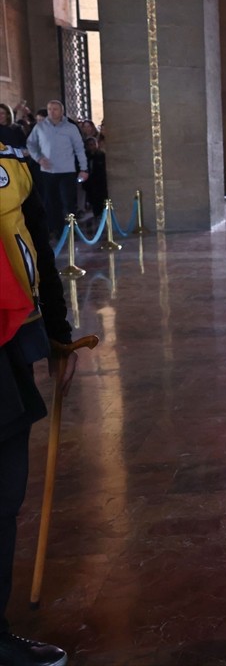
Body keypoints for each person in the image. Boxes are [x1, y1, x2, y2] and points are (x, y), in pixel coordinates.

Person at [1, 141, 73, 666]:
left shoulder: (13, 164)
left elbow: (38, 251)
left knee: (4, 496)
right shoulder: (13, 165)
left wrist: (55, 332)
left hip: (10, 344)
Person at [25, 100, 87, 236]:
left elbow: (79, 149)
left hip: (67, 170)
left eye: (55, 109)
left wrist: (84, 168)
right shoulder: (40, 127)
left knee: (68, 202)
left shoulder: (70, 128)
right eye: (49, 109)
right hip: (48, 171)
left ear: (61, 111)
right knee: (51, 201)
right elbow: (30, 144)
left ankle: (71, 229)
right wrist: (39, 158)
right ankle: (56, 229)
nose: (52, 112)